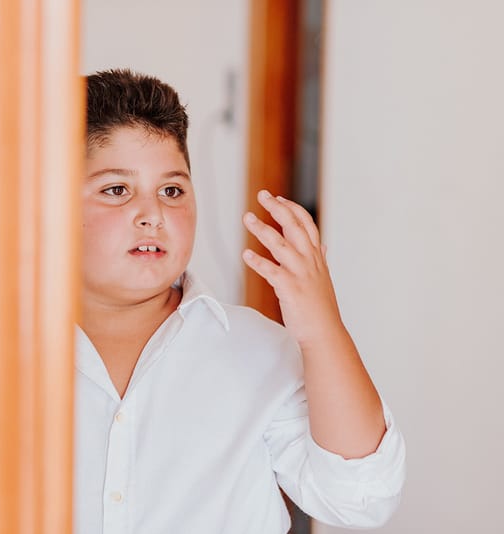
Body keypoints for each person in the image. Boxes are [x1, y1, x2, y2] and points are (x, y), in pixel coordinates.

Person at [75, 69, 405, 533]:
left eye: (172, 190)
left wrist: (321, 329)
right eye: (117, 190)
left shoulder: (259, 350)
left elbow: (360, 499)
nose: (152, 215)